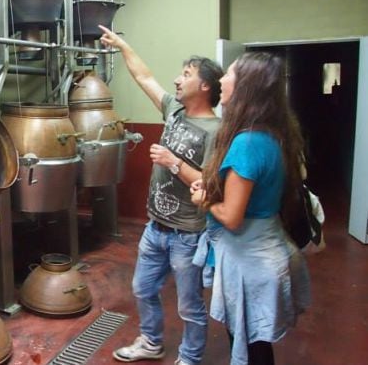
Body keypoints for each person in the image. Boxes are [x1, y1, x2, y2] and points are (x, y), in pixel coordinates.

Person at [99, 25, 222, 365]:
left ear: (206, 86)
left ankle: (191, 357)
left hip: (189, 235)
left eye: (186, 74)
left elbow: (212, 186)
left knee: (189, 304)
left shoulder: (218, 131)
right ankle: (152, 342)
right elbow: (144, 77)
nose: (177, 80)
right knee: (142, 288)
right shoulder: (174, 111)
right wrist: (123, 46)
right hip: (155, 228)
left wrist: (174, 163)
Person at [190, 52, 311, 365]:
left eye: (229, 74)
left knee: (249, 347)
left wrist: (204, 200)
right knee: (256, 344)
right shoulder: (272, 135)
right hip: (266, 251)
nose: (221, 80)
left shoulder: (247, 143)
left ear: (246, 87)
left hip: (249, 263)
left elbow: (231, 216)